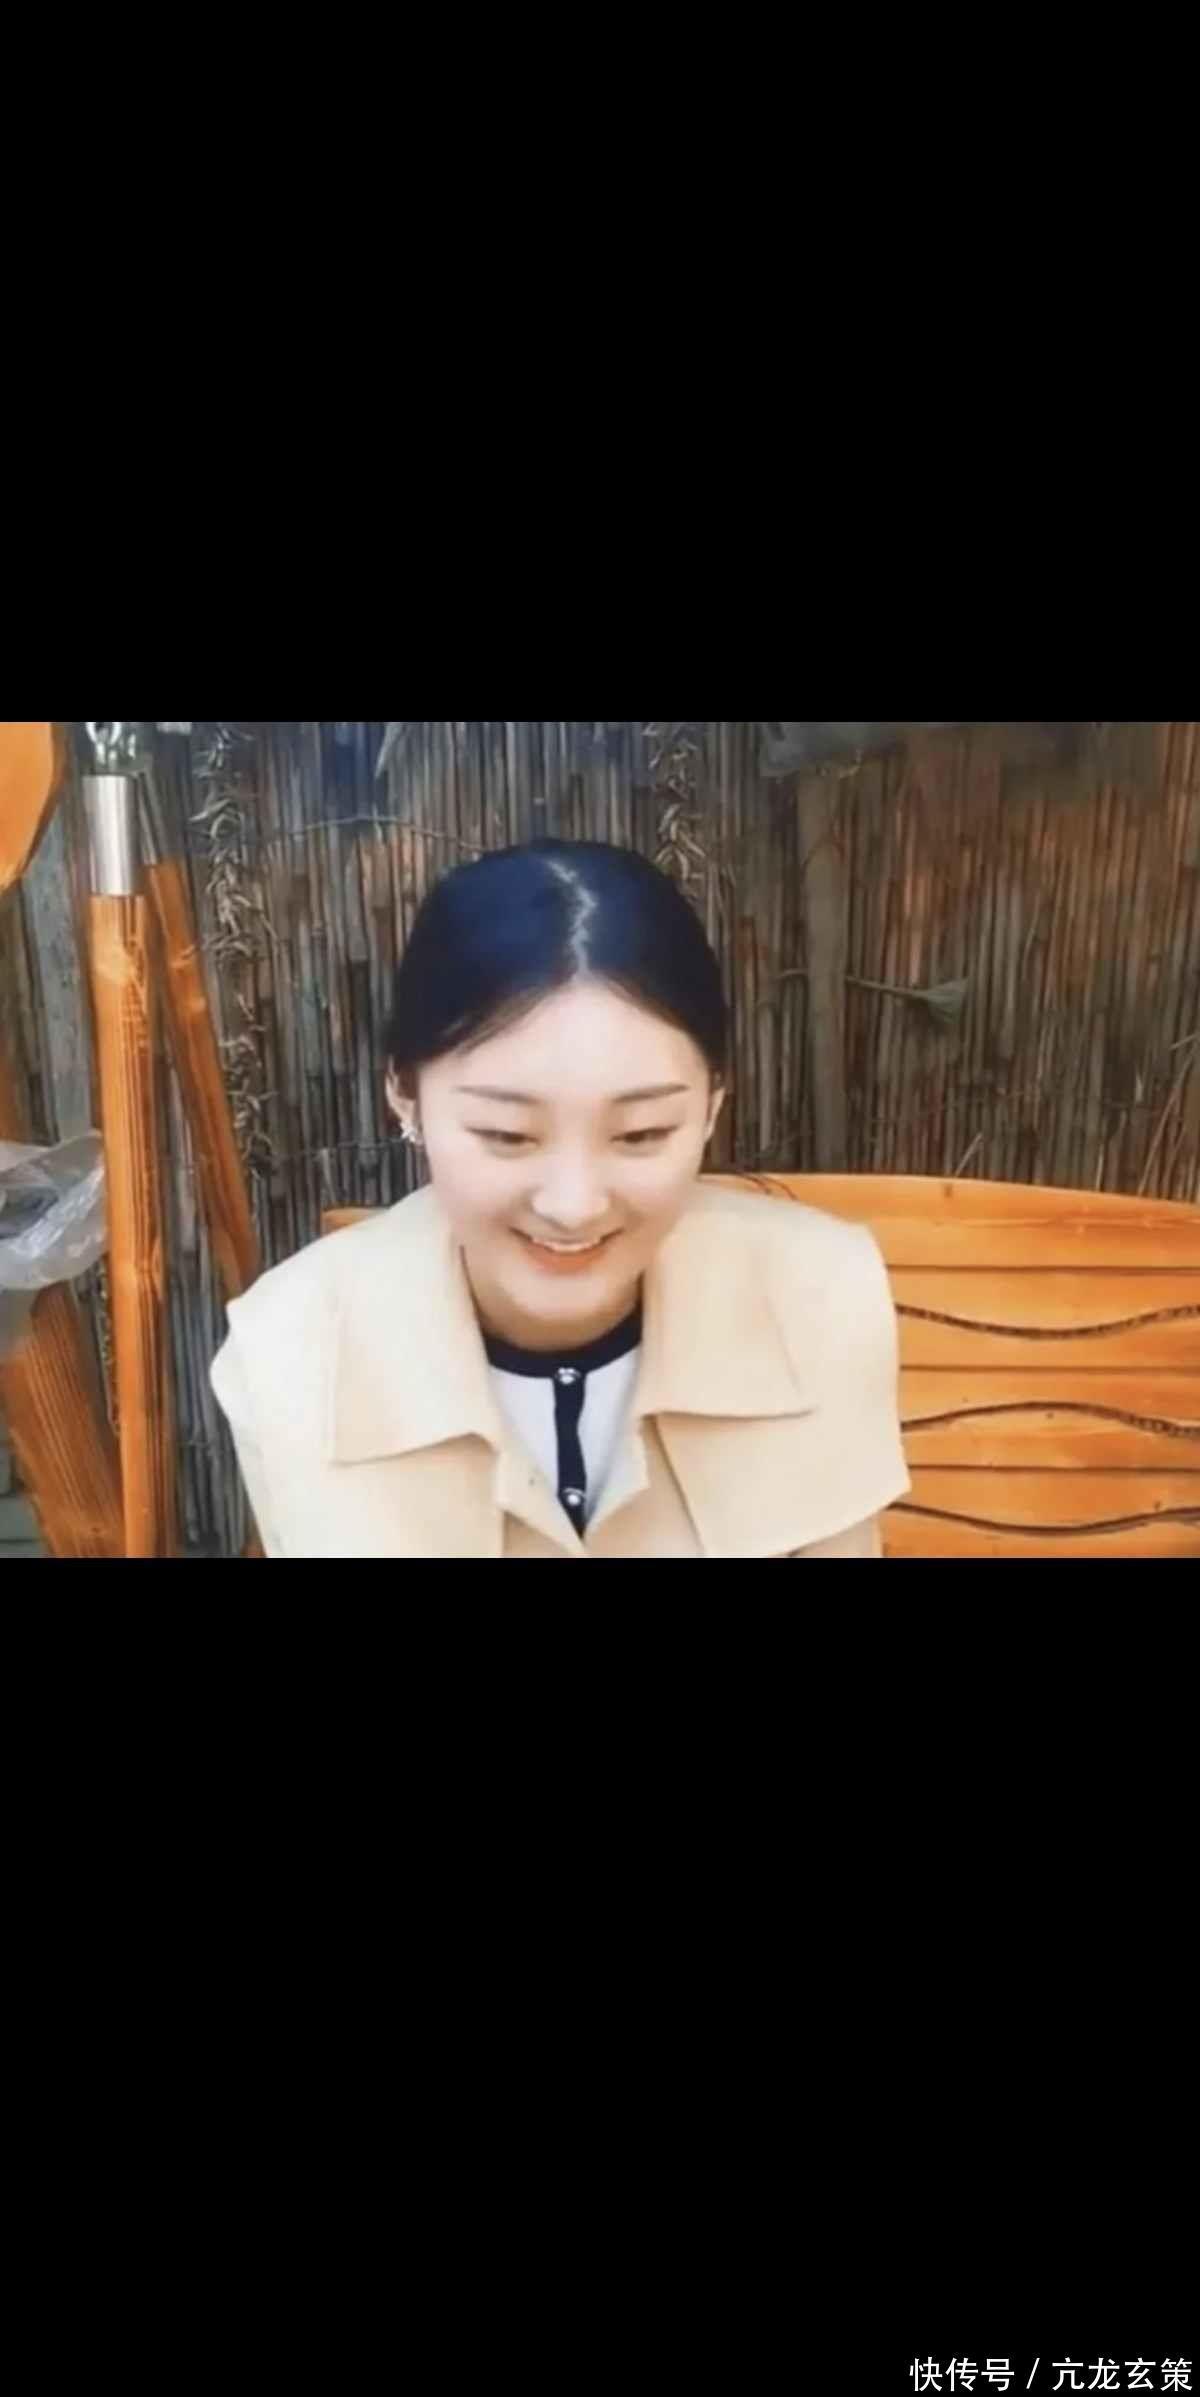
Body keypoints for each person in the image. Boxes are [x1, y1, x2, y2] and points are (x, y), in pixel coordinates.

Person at [210, 839, 909, 1558]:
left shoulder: (823, 1297)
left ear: (712, 1105)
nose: (574, 1206)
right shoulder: (287, 1350)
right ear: (404, 1095)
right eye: (507, 1134)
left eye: (641, 1133)